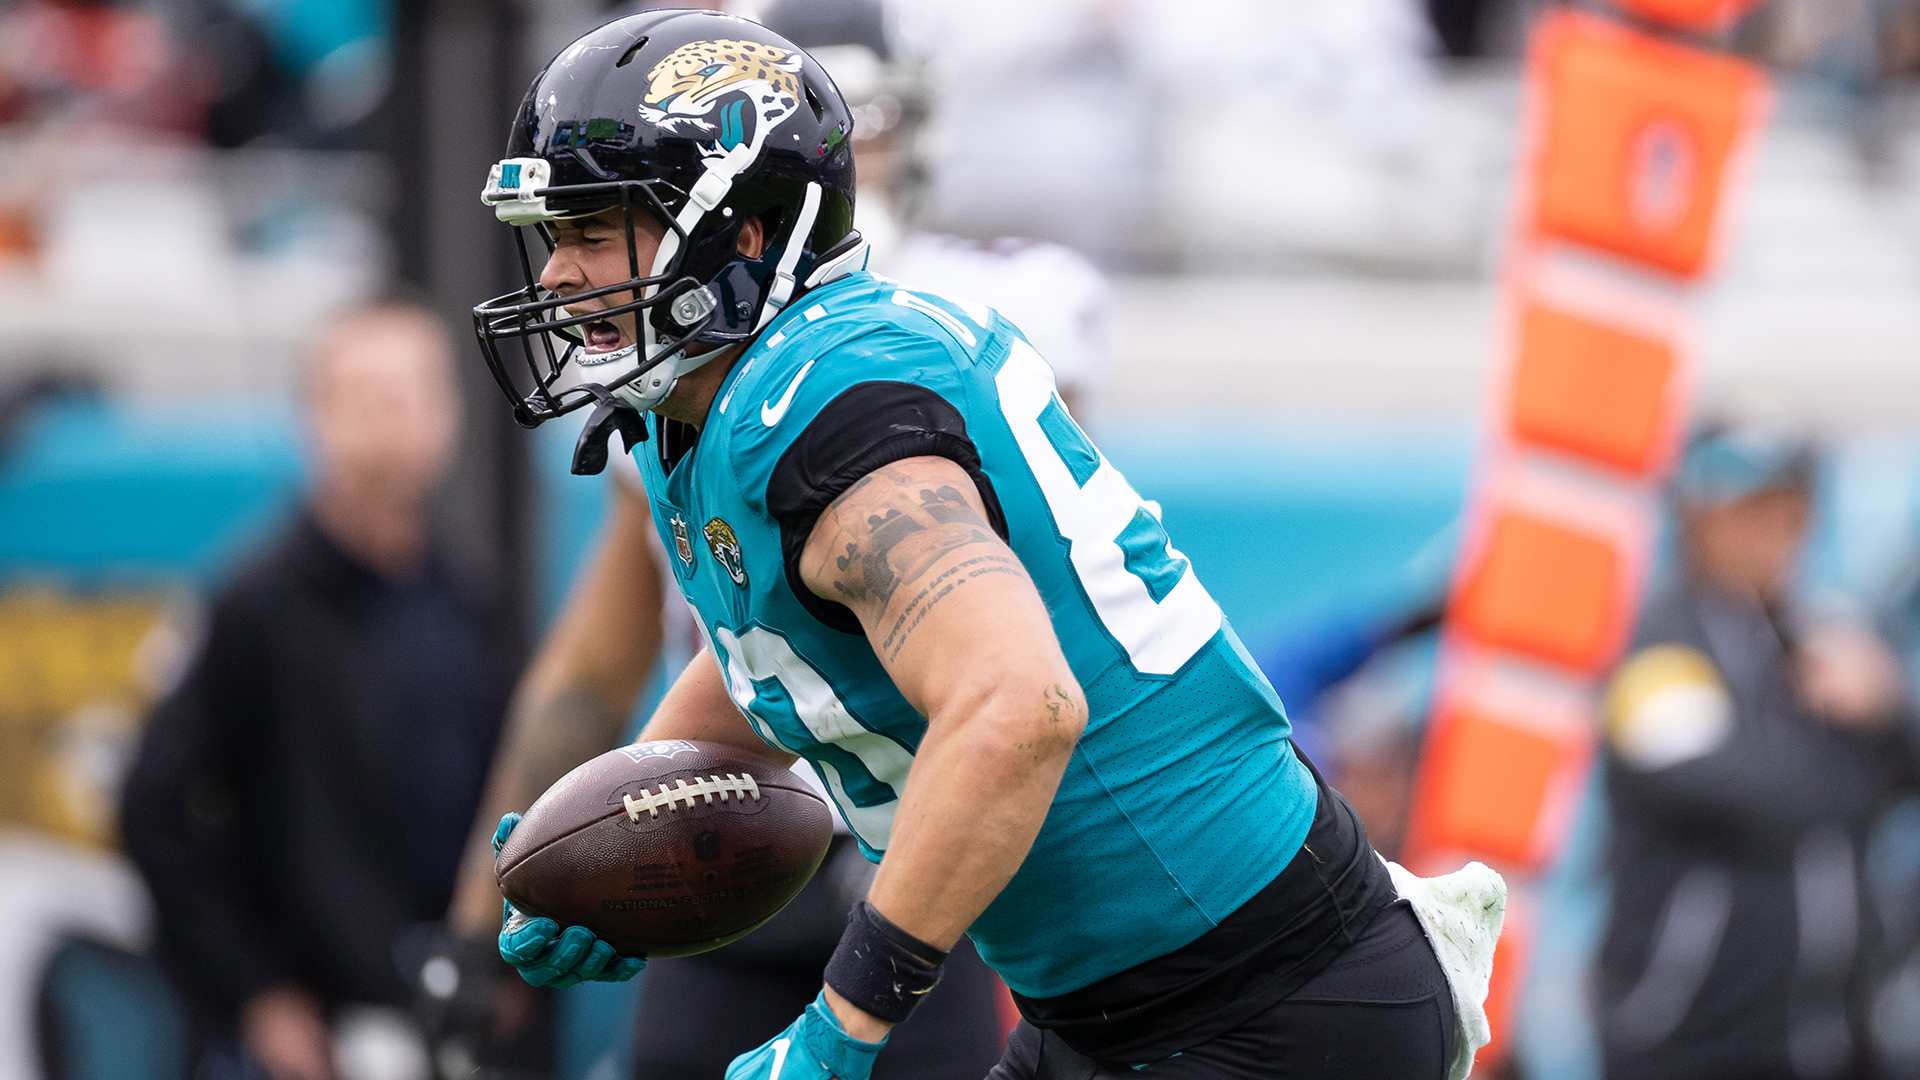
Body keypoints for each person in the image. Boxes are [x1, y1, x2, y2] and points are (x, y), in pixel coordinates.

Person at [467, 10, 1499, 1079]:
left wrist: (843, 1024)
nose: (555, 276)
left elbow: (1021, 709)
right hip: (1114, 1011)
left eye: (594, 231)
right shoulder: (712, 411)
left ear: (744, 233)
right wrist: (607, 844)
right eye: (556, 236)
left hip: (1272, 1001)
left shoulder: (826, 407)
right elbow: (763, 672)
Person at [121, 300, 527, 1080]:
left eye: (414, 394)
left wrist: (509, 964)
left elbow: (522, 783)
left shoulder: (471, 594)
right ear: (315, 418)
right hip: (315, 1037)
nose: (394, 421)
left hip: (458, 1020)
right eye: (367, 397)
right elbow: (154, 805)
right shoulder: (258, 607)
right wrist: (257, 992)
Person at [1598, 420, 1920, 1080]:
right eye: (1747, 510)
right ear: (1695, 517)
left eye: (1787, 508)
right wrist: (1862, 746)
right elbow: (1764, 800)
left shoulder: (1824, 632)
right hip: (1690, 1043)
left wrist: (1889, 710)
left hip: (1837, 1040)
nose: (1772, 531)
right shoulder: (1657, 648)